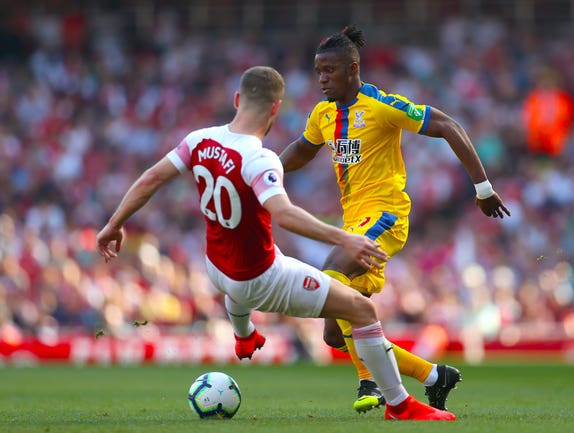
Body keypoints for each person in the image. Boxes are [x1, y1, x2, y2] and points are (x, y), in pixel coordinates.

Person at [96, 66, 455, 421]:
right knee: (362, 310)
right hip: (262, 278)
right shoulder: (259, 158)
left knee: (240, 275)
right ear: (275, 109)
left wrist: (114, 224)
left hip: (216, 268)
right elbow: (284, 215)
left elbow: (151, 178)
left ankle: (244, 334)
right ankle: (400, 405)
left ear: (237, 100)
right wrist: (344, 237)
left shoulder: (198, 140)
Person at [279, 25, 511, 413]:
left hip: (386, 215)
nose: (321, 79)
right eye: (318, 71)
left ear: (353, 69)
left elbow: (448, 126)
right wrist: (261, 173)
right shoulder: (323, 114)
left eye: (329, 71)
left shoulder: (382, 105)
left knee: (329, 273)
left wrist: (483, 189)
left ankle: (368, 382)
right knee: (336, 333)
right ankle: (434, 376)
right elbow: (303, 150)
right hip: (352, 221)